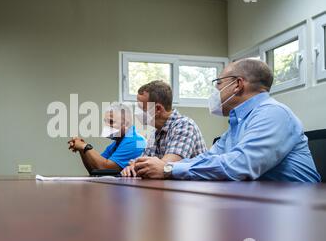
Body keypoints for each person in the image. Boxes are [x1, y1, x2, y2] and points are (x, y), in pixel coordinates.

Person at [134, 59, 321, 183]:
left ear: (238, 85)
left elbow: (241, 165)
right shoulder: (238, 122)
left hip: (300, 207)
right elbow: (209, 157)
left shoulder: (274, 114)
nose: (216, 91)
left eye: (219, 84)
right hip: (263, 200)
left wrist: (168, 169)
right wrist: (165, 167)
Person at [121, 81, 207, 177]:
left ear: (158, 109)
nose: (137, 113)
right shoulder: (155, 132)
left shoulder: (185, 126)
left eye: (142, 109)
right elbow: (142, 162)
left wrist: (139, 166)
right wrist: (132, 167)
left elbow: (163, 167)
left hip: (193, 189)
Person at [68, 103, 146, 174]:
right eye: (106, 122)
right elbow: (94, 169)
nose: (107, 125)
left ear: (126, 124)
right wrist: (82, 150)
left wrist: (85, 146)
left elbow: (104, 168)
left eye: (111, 122)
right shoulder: (115, 144)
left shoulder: (135, 142)